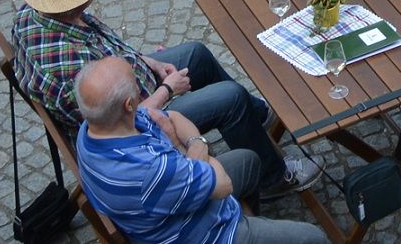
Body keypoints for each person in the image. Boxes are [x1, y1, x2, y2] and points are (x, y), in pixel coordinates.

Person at [11, 0, 319, 197]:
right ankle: (273, 178)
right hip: (134, 125)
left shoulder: (38, 11)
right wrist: (167, 90)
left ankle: (256, 117)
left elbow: (106, 49)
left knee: (196, 54)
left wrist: (149, 61)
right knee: (230, 97)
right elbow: (125, 121)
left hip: (131, 89)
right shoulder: (68, 71)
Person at [75, 56, 327, 244]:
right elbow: (223, 184)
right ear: (129, 104)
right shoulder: (152, 170)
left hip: (176, 201)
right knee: (313, 238)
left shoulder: (93, 126)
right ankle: (243, 229)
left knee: (249, 161)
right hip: (202, 235)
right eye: (137, 87)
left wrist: (190, 150)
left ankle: (249, 218)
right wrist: (191, 144)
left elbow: (171, 116)